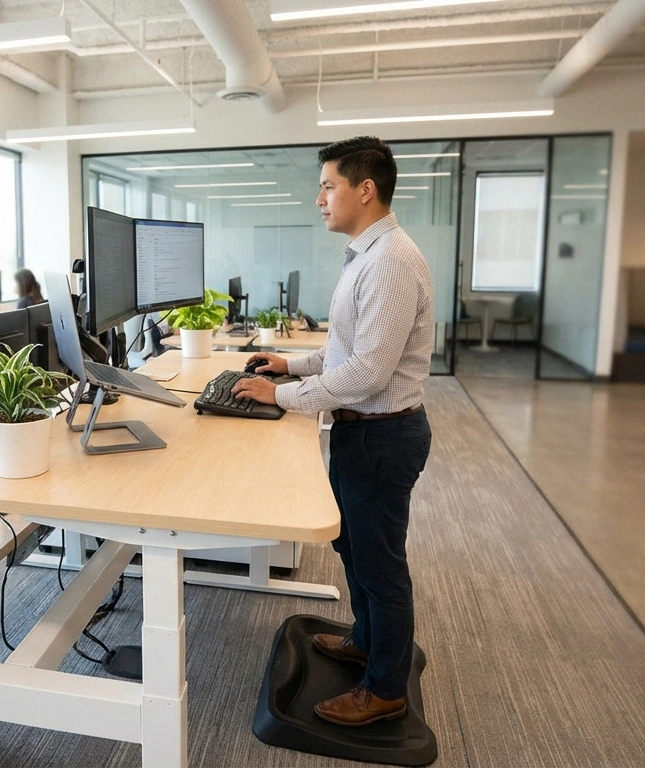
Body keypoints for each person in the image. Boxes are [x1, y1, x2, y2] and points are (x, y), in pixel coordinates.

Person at [232, 136, 434, 727]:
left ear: (364, 190)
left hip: (382, 435)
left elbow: (369, 373)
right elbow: (349, 351)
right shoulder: (366, 256)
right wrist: (287, 366)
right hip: (362, 432)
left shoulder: (391, 260)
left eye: (328, 185)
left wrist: (281, 397)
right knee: (354, 547)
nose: (318, 197)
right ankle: (368, 641)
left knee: (379, 562)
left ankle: (385, 687)